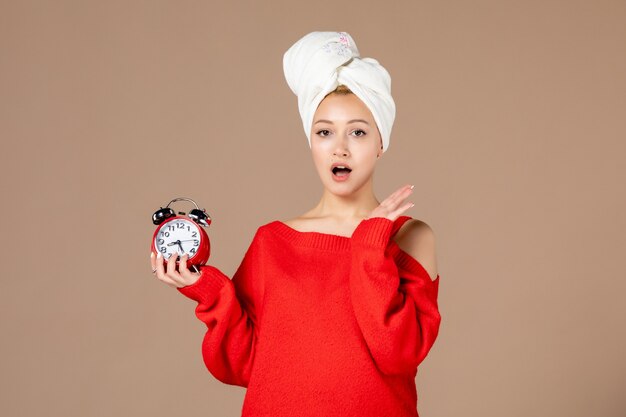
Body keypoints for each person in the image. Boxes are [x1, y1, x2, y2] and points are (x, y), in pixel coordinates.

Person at [150, 31, 441, 417]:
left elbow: (397, 355)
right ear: (311, 141)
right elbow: (244, 365)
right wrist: (207, 290)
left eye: (358, 131)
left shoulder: (409, 237)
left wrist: (370, 244)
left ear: (381, 141)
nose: (340, 147)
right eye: (324, 132)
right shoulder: (273, 241)